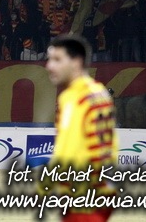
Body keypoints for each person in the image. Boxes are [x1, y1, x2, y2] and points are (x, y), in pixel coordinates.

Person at [42, 34, 118, 221]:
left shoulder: (82, 98)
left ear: (76, 62)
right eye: (50, 59)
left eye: (57, 60)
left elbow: (77, 149)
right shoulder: (90, 93)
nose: (49, 66)